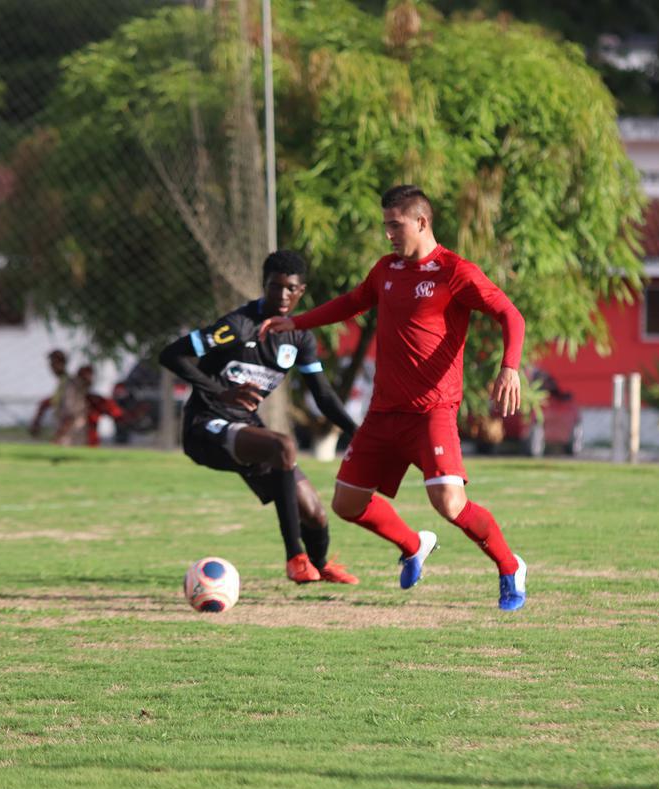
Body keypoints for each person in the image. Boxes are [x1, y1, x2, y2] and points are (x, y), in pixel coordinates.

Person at [261, 185, 529, 611]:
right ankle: (413, 544)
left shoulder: (454, 271)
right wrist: (294, 323)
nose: (387, 233)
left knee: (448, 502)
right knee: (347, 503)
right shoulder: (386, 270)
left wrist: (509, 366)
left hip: (432, 412)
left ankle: (510, 566)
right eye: (385, 224)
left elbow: (510, 314)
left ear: (421, 222)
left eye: (395, 224)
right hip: (384, 412)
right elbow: (350, 304)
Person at [160, 250, 360, 585]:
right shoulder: (238, 326)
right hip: (205, 427)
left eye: (290, 289)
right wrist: (219, 391)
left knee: (314, 512)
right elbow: (171, 355)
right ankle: (294, 557)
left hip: (246, 430)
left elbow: (323, 395)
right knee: (282, 445)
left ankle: (320, 565)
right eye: (275, 287)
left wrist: (356, 431)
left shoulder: (299, 337)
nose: (282, 296)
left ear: (301, 291)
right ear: (264, 285)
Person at [29, 349, 70, 439]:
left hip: (68, 430)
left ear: (61, 363)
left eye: (53, 363)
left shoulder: (68, 383)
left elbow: (69, 408)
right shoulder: (62, 382)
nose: (51, 367)